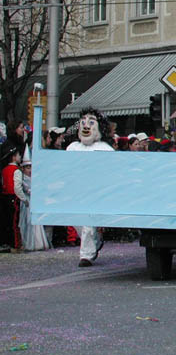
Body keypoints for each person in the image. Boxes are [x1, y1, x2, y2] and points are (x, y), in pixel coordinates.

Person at [66, 108, 114, 267]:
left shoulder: (105, 149)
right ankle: (95, 241)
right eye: (83, 122)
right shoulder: (72, 148)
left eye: (91, 122)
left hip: (95, 193)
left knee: (88, 223)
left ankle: (86, 255)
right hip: (75, 192)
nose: (86, 126)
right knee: (77, 222)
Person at [17, 154, 51, 251]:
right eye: (28, 168)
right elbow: (27, 190)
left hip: (34, 202)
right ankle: (28, 242)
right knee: (27, 222)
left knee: (36, 223)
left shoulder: (34, 178)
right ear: (23, 169)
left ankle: (37, 242)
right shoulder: (23, 179)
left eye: (31, 168)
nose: (30, 170)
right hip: (27, 203)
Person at [0, 143, 23, 252]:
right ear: (14, 157)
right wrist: (24, 199)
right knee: (15, 222)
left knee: (8, 221)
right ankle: (15, 243)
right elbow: (17, 187)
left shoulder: (4, 170)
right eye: (18, 155)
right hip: (14, 197)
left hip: (5, 197)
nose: (20, 157)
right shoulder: (17, 170)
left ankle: (9, 242)